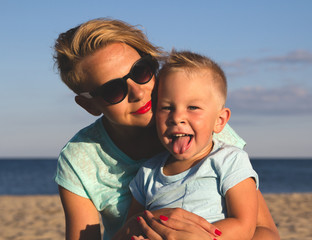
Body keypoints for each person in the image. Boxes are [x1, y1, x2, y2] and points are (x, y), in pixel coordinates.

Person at [53, 18, 279, 240]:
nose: (138, 93)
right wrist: (132, 229)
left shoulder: (201, 129)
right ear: (90, 105)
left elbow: (264, 231)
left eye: (140, 72)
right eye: (113, 90)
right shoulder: (80, 159)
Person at [127, 50, 258, 240]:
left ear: (219, 120)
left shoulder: (229, 160)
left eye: (193, 107)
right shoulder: (147, 172)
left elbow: (244, 225)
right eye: (167, 107)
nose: (177, 117)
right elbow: (133, 224)